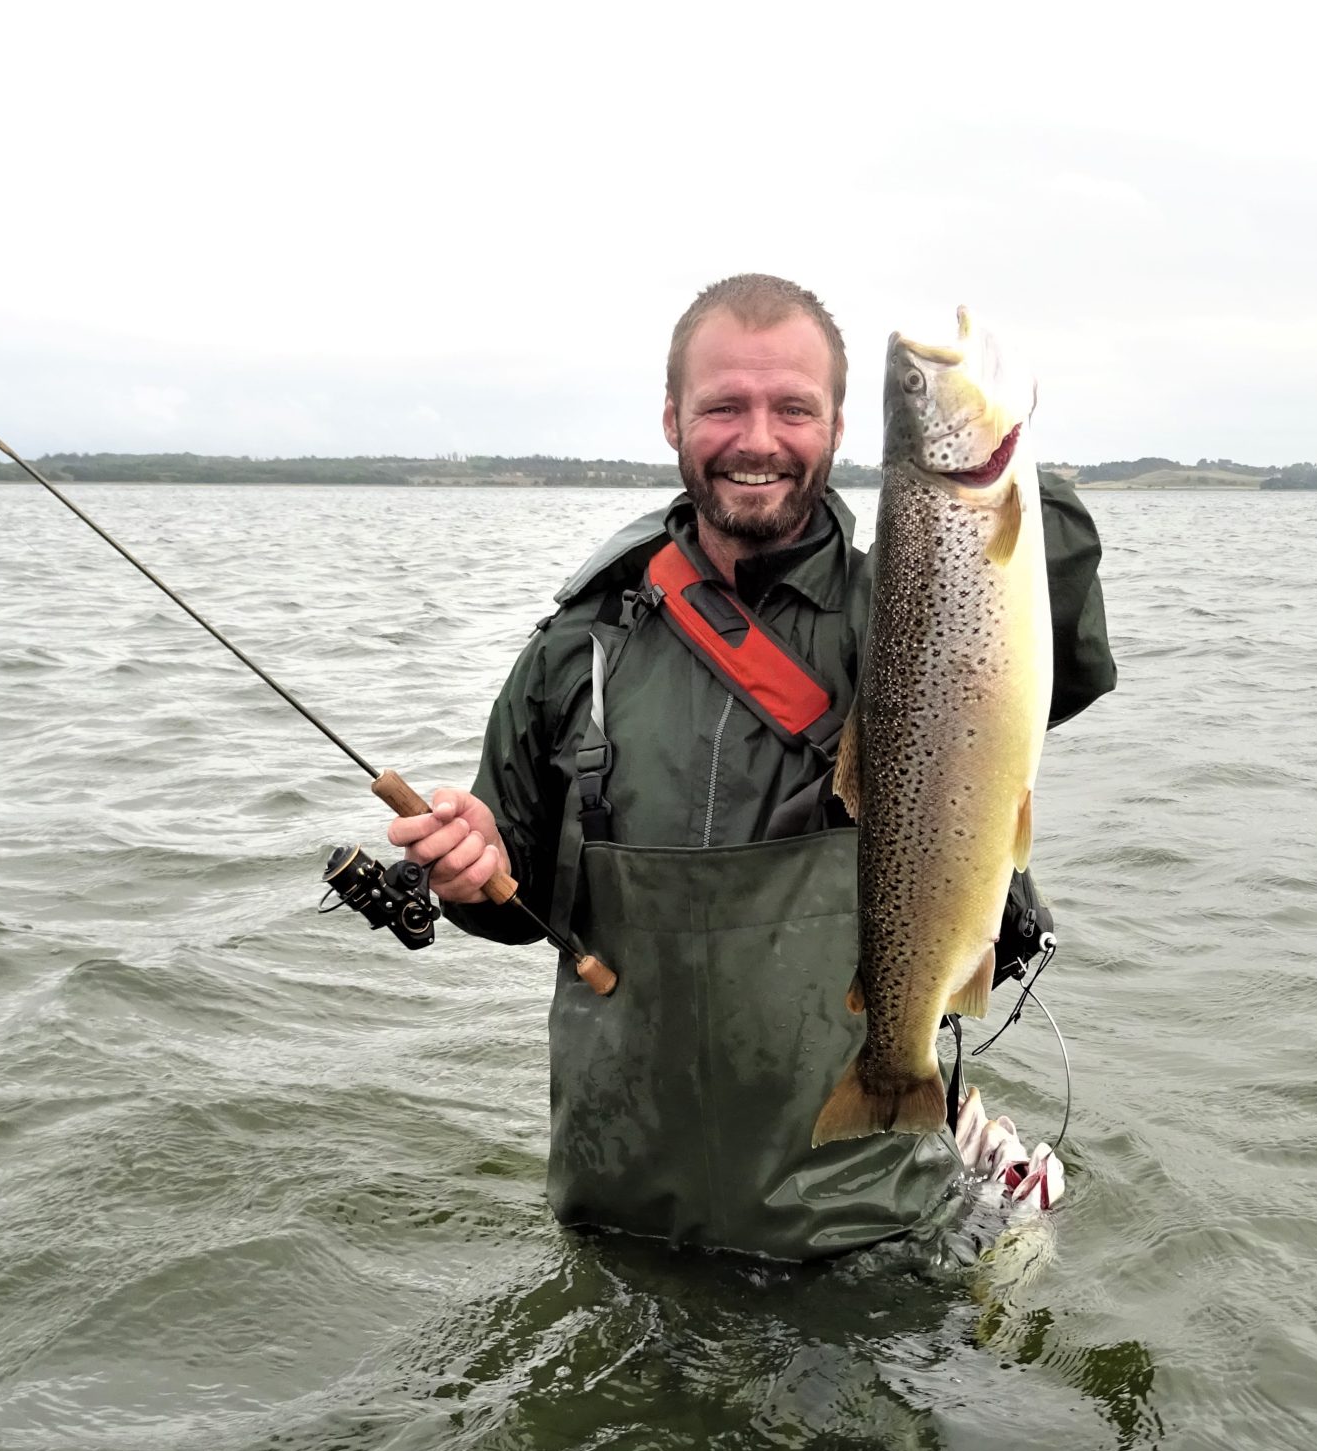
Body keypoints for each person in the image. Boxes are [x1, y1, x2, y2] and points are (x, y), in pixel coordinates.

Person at [385, 273, 1115, 1260]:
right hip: (618, 1224)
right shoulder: (576, 649)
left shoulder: (902, 610)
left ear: (840, 427)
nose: (758, 439)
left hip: (863, 1237)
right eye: (724, 405)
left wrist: (982, 453)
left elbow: (1051, 611)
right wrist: (468, 875)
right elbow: (510, 908)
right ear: (672, 419)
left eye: (793, 408)